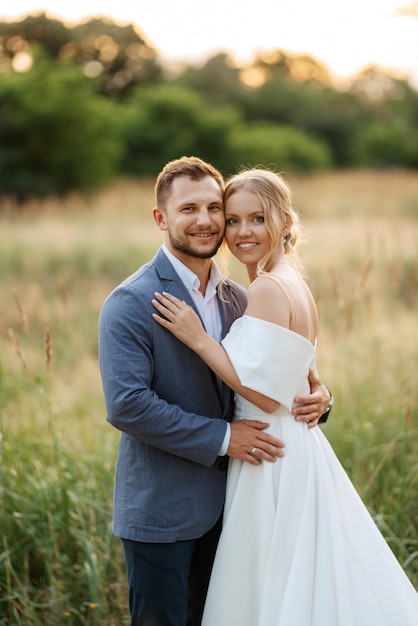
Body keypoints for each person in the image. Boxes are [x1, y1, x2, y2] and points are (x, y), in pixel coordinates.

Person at [152, 168, 418, 626]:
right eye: (232, 220)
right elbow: (302, 370)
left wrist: (200, 341)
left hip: (268, 453)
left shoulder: (269, 288)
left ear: (286, 222)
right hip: (290, 447)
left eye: (257, 219)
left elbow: (268, 397)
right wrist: (322, 392)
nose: (242, 232)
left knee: (269, 587)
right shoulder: (290, 280)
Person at [98, 157, 332, 626]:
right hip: (164, 513)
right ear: (161, 218)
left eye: (213, 208)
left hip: (234, 507)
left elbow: (273, 378)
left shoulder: (240, 297)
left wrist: (320, 397)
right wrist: (227, 438)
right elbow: (128, 405)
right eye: (188, 209)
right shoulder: (131, 302)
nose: (204, 221)